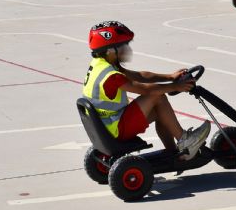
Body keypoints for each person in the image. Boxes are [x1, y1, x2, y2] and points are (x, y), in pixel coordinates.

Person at [83, 21, 211, 161]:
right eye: (123, 45)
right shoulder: (111, 76)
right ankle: (186, 141)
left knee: (160, 111)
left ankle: (174, 153)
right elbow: (144, 90)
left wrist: (170, 76)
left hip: (107, 126)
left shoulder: (101, 65)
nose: (127, 49)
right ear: (110, 50)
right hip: (116, 129)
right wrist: (176, 86)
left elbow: (139, 76)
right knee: (158, 97)